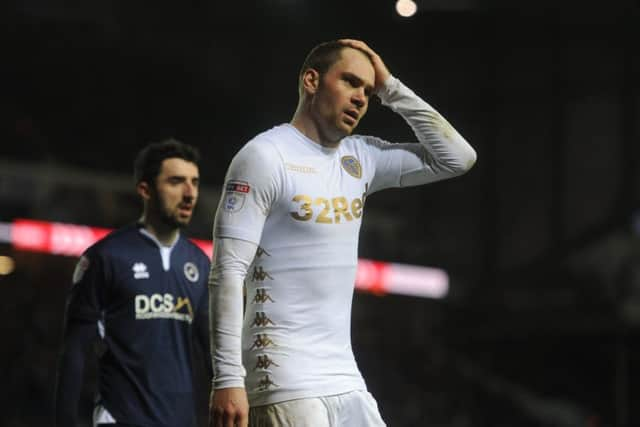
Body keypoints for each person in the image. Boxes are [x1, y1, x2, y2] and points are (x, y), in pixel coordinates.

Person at [208, 39, 477, 427]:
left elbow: (458, 157)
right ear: (311, 80)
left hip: (344, 375)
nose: (361, 98)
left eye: (368, 91)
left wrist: (392, 88)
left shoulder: (361, 157)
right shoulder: (265, 156)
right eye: (350, 82)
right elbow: (226, 272)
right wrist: (228, 378)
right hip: (283, 377)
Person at [55, 139, 212, 427]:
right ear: (145, 190)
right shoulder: (106, 257)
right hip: (119, 419)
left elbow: (213, 352)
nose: (190, 193)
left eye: (195, 182)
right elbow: (75, 352)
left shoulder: (200, 264)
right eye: (176, 182)